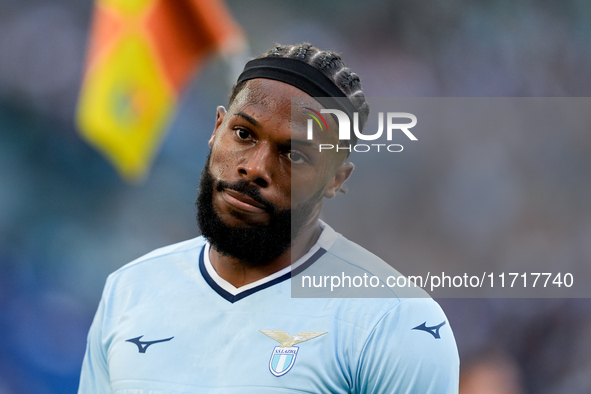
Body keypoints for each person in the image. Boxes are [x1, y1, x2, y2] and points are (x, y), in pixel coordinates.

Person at [78, 43, 459, 393]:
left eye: (294, 154)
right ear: (217, 129)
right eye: (243, 134)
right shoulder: (130, 290)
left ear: (335, 179)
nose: (255, 168)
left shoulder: (395, 320)